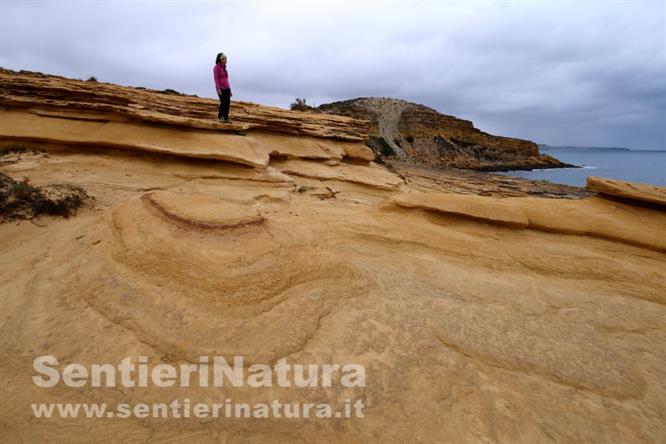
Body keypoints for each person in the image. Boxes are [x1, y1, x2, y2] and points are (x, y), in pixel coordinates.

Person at [213, 52, 232, 123]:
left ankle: (226, 118)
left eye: (226, 59)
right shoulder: (216, 67)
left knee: (227, 103)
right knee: (223, 102)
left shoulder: (225, 69)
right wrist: (218, 89)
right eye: (225, 59)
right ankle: (221, 117)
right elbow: (216, 78)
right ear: (221, 59)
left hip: (227, 88)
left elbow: (226, 80)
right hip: (220, 88)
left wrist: (230, 90)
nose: (226, 60)